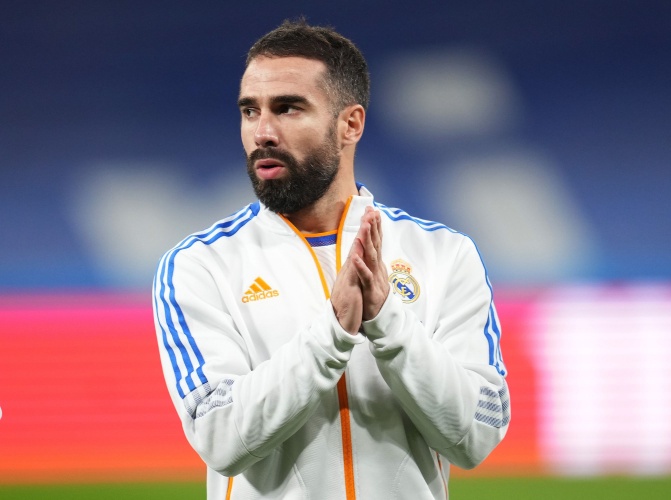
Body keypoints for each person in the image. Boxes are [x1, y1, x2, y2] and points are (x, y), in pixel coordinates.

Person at [152, 18, 509, 500]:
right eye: (250, 111)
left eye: (288, 108)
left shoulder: (444, 254)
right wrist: (333, 333)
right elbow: (220, 438)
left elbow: (477, 436)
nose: (263, 132)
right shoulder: (201, 265)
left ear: (350, 124)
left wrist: (387, 322)